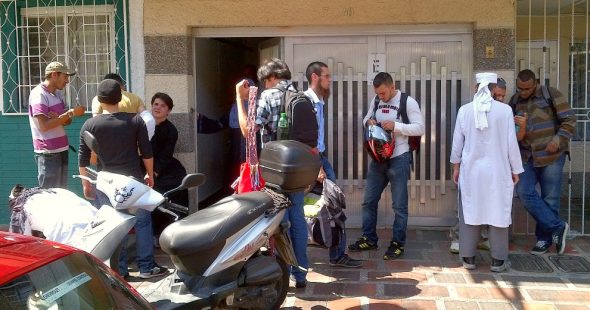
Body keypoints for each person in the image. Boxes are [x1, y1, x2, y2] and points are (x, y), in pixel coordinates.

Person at [235, 58, 318, 288]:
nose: (264, 85)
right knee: (298, 220)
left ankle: (279, 273)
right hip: (298, 169)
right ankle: (300, 274)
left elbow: (247, 132)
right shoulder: (303, 97)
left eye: (265, 81)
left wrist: (239, 100)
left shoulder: (268, 96)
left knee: (280, 222)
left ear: (270, 78)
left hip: (275, 172)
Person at [78, 79, 167, 280]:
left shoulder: (89, 124)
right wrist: (150, 175)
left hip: (105, 183)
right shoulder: (136, 121)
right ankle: (146, 268)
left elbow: (83, 159)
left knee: (114, 226)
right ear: (121, 97)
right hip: (132, 182)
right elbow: (147, 152)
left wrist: (85, 183)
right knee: (143, 222)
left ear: (99, 100)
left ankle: (119, 273)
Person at [450, 72, 524, 272]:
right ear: (493, 89)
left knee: (470, 211)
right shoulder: (505, 111)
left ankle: (468, 258)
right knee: (498, 211)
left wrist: (456, 167)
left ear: (478, 87)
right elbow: (511, 143)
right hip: (498, 171)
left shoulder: (465, 111)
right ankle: (498, 261)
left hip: (471, 171)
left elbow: (457, 143)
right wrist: (516, 169)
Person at [349, 72, 425, 260]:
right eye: (378, 94)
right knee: (368, 201)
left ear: (392, 87)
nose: (381, 97)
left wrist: (396, 126)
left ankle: (398, 243)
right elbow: (365, 118)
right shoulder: (376, 100)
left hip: (399, 157)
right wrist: (369, 122)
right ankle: (369, 238)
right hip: (378, 159)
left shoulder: (408, 102)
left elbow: (420, 128)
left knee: (399, 205)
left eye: (383, 93)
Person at [510, 69, 576, 255]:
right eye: (519, 88)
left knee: (550, 199)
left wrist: (558, 141)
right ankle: (558, 227)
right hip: (526, 157)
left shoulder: (550, 94)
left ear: (535, 83)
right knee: (524, 192)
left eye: (527, 88)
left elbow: (569, 120)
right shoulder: (515, 101)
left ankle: (544, 240)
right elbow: (510, 129)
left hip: (551, 156)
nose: (523, 91)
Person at [304, 61, 362, 268]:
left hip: (319, 157)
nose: (330, 80)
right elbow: (306, 138)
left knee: (329, 205)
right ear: (315, 77)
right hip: (314, 159)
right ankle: (331, 254)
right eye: (327, 76)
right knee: (328, 204)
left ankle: (335, 253)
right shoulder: (307, 103)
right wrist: (316, 165)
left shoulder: (319, 101)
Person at [28, 61, 84, 188]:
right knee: (49, 195)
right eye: (65, 77)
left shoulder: (57, 94)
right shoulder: (39, 94)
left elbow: (67, 122)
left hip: (62, 149)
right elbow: (44, 126)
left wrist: (62, 117)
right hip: (48, 152)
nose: (67, 81)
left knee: (60, 193)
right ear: (54, 75)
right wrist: (69, 114)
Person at [150, 92, 188, 238]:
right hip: (144, 169)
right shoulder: (142, 125)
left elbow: (165, 156)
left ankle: (172, 235)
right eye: (155, 104)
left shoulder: (171, 130)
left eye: (163, 105)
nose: (158, 107)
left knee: (169, 195)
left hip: (164, 169)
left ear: (169, 111)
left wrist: (154, 174)